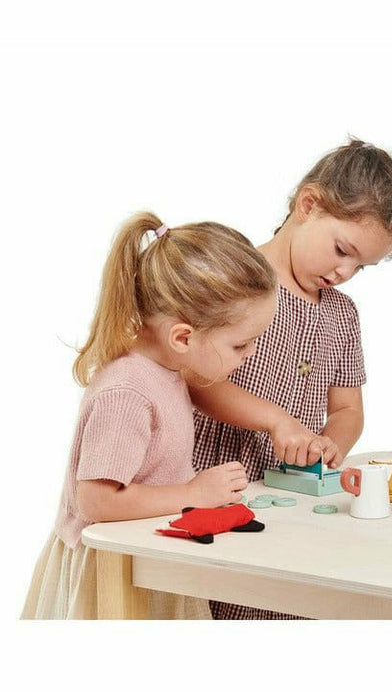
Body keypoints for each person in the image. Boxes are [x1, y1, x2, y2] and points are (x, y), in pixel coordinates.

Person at [191, 139, 392, 619]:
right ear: (308, 205)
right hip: (208, 480)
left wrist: (330, 445)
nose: (345, 271)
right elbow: (194, 381)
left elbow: (347, 409)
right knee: (213, 601)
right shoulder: (235, 279)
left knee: (283, 601)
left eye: (361, 266)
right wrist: (276, 421)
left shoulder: (341, 315)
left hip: (287, 495)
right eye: (342, 250)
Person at [22, 211, 284, 619]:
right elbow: (97, 501)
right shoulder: (127, 392)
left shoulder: (168, 370)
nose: (250, 354)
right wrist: (194, 494)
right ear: (183, 337)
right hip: (113, 572)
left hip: (148, 553)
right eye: (240, 345)